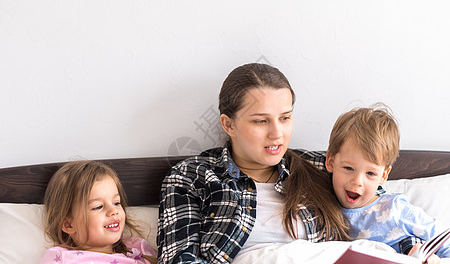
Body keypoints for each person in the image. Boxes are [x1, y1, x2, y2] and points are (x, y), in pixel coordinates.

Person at [157, 63, 350, 264]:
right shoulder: (191, 177)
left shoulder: (323, 167)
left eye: (285, 118)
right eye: (261, 121)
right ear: (228, 124)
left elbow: (376, 207)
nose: (277, 133)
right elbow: (178, 259)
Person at [323, 105, 449, 259]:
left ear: (384, 175)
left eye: (370, 173)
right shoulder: (318, 202)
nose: (357, 181)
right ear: (330, 161)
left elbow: (444, 241)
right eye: (349, 168)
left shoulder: (395, 209)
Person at [41, 161, 157, 264]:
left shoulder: (138, 247)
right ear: (69, 225)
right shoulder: (62, 257)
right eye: (98, 207)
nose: (113, 211)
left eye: (116, 203)